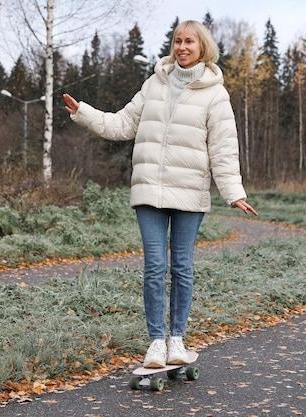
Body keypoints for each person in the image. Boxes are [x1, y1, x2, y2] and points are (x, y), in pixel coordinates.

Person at [63, 20, 257, 368]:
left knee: (181, 267)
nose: (182, 47)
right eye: (177, 41)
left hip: (189, 192)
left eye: (190, 43)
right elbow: (122, 124)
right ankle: (155, 342)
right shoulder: (154, 83)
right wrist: (84, 113)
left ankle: (177, 340)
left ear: (203, 48)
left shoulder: (215, 93)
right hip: (149, 189)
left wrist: (233, 192)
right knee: (155, 266)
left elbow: (224, 149)